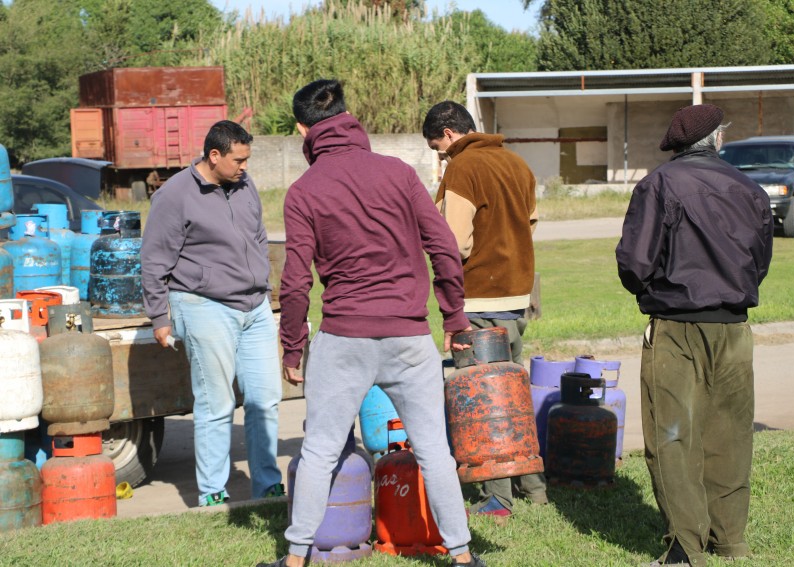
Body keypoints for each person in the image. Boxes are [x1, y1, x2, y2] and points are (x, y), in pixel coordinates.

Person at [261, 80, 484, 567]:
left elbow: (296, 282)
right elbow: (443, 246)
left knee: (319, 451)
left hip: (343, 337)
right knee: (434, 452)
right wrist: (453, 314)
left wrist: (293, 348)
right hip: (409, 336)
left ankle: (296, 560)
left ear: (303, 130)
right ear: (348, 118)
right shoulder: (399, 173)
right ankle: (464, 557)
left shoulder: (303, 192)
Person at [615, 104, 773, 567]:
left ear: (679, 145)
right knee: (730, 435)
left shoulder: (659, 184)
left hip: (677, 326)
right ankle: (730, 541)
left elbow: (635, 262)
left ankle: (686, 548)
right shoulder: (750, 188)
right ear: (716, 140)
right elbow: (760, 261)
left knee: (672, 435)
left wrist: (652, 292)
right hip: (734, 327)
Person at [141, 120, 284, 507]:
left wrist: (262, 281)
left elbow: (256, 234)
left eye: (247, 159)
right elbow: (154, 260)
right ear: (214, 155)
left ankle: (267, 485)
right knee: (217, 403)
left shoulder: (244, 184)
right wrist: (160, 317)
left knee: (265, 399)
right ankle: (212, 492)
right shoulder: (174, 196)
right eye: (238, 160)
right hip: (204, 305)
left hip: (254, 306)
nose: (245, 167)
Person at [422, 100, 548, 518]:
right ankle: (534, 489)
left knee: (484, 399)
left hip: (479, 297)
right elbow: (529, 223)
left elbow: (452, 242)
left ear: (450, 134)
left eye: (439, 148)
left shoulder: (464, 168)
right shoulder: (517, 164)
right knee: (513, 394)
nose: (442, 158)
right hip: (516, 296)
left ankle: (498, 498)